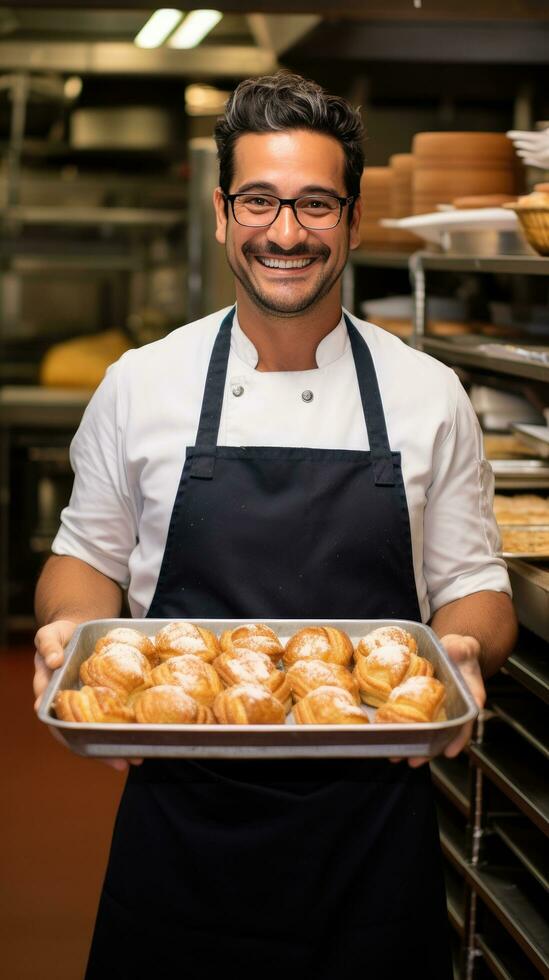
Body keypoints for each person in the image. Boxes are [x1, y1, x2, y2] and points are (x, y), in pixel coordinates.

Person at [33, 71, 517, 979]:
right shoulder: (143, 384)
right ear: (221, 213)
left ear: (353, 218)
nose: (285, 232)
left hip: (374, 826)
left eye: (314, 204)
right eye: (259, 200)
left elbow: (473, 586)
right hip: (180, 820)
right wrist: (71, 632)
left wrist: (462, 654)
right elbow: (85, 559)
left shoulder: (426, 395)